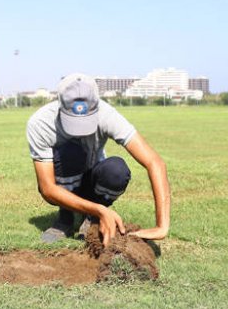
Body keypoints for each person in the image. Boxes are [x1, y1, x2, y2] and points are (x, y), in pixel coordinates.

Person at [26, 73, 170, 247]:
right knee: (71, 152)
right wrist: (100, 210)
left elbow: (154, 162)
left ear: (96, 107)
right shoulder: (40, 123)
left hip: (92, 177)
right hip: (62, 180)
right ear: (59, 105)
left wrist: (162, 226)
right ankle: (65, 219)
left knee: (117, 171)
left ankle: (91, 219)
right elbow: (48, 188)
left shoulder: (107, 114)